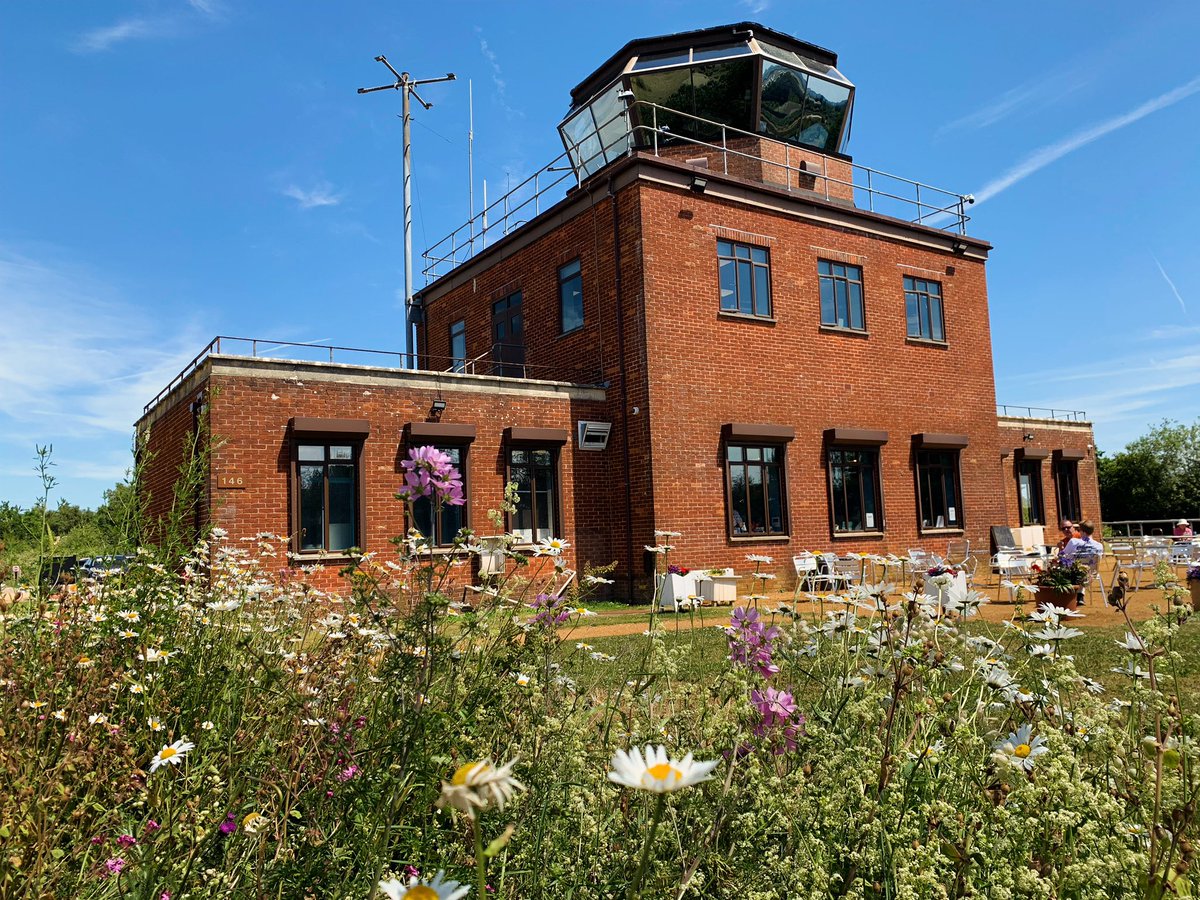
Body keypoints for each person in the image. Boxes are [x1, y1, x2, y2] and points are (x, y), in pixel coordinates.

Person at [1062, 520, 1103, 606]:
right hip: (1091, 574)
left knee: (1070, 566)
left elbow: (1063, 555)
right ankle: (1080, 595)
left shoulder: (1073, 542)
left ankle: (1070, 596)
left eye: (1079, 530)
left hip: (1074, 574)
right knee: (1084, 570)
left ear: (1083, 531)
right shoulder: (1099, 546)